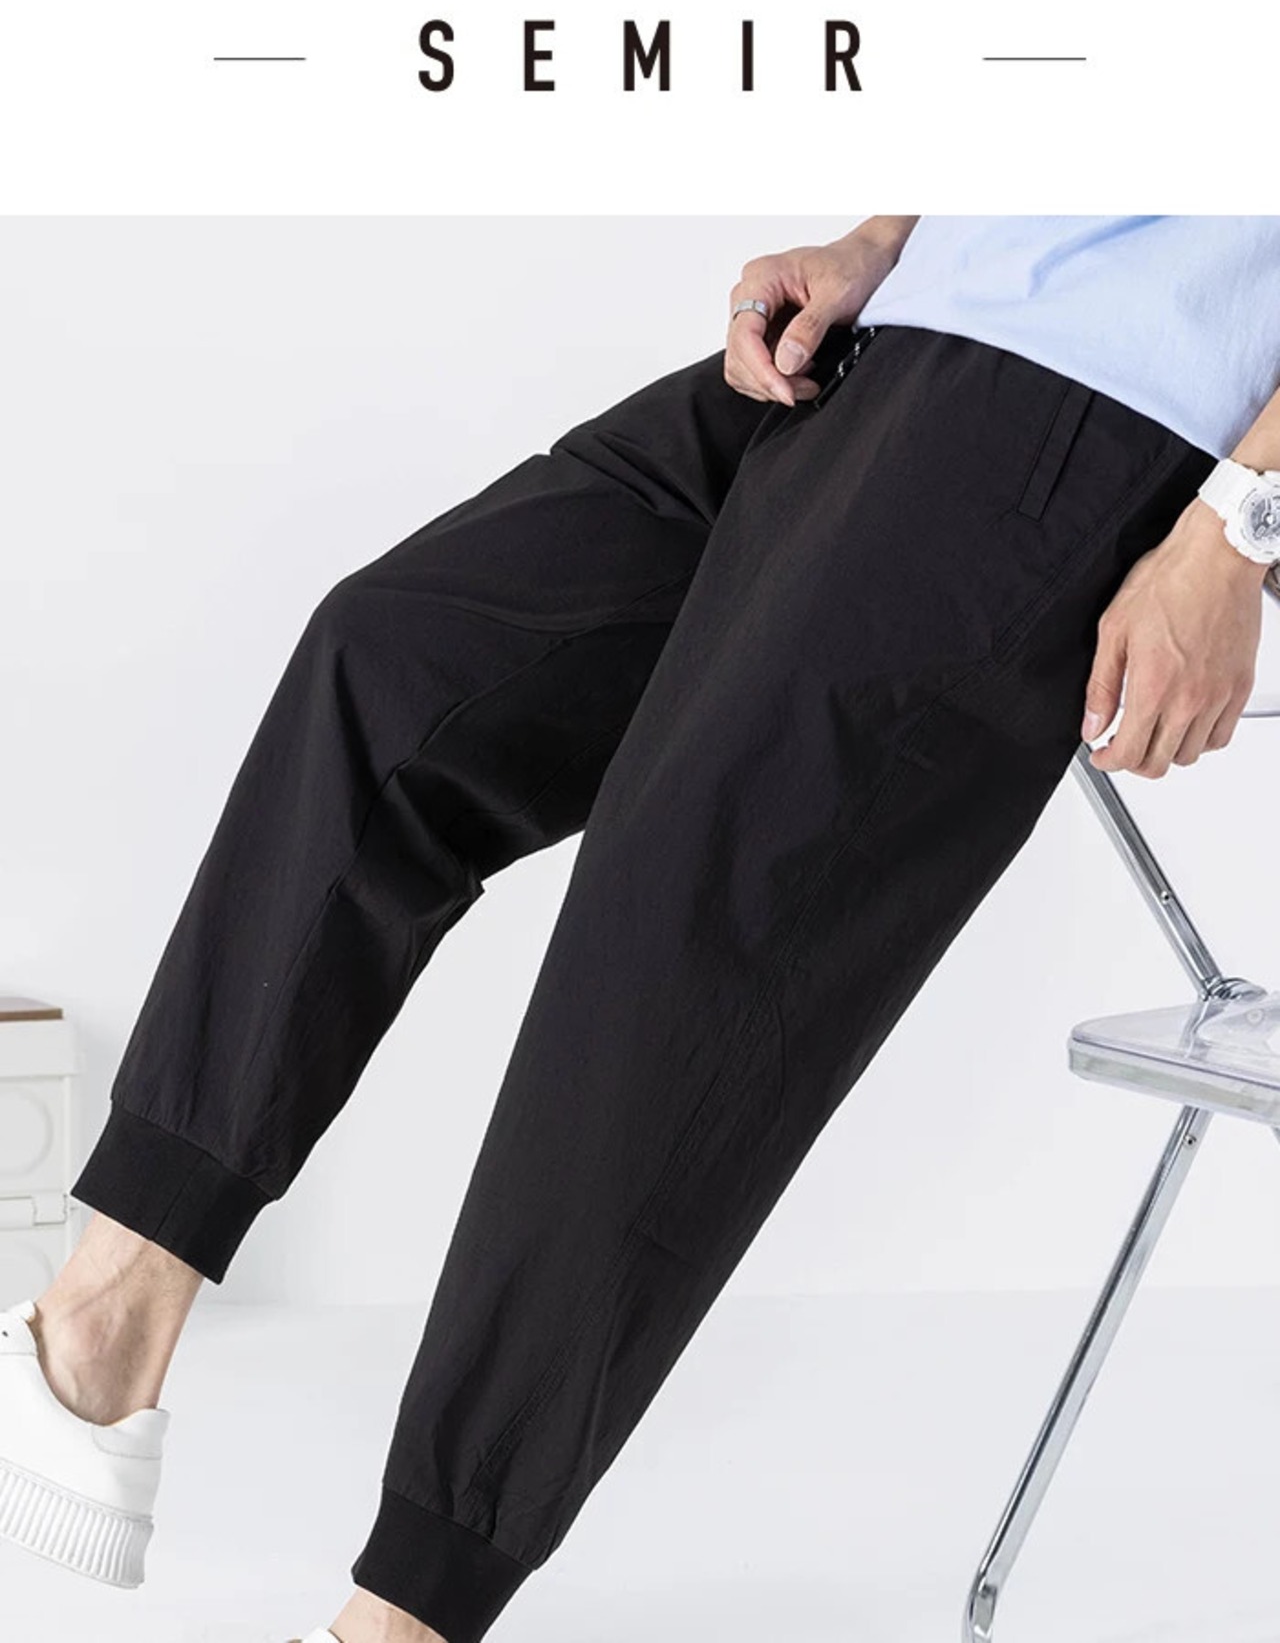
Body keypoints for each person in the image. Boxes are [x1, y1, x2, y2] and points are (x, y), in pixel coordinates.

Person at [3, 215, 1280, 1643]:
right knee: (398, 666)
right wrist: (886, 237)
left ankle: (405, 1619)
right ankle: (99, 1335)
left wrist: (1244, 521)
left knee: (687, 919)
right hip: (902, 335)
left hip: (1105, 413)